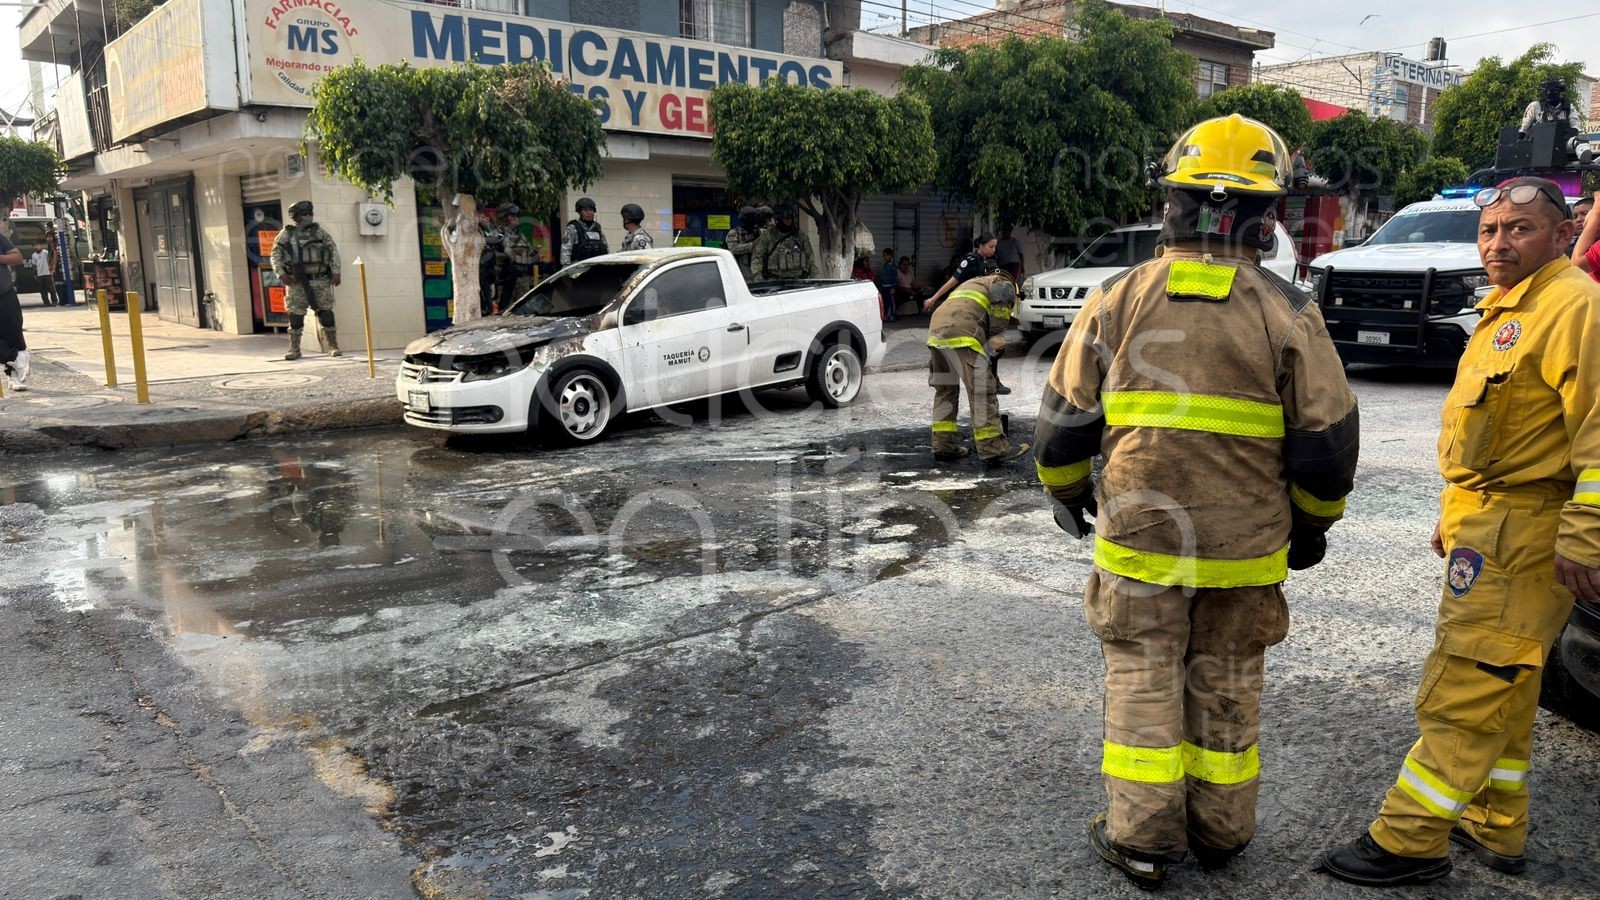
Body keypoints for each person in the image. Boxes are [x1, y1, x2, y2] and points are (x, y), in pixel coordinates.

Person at [1035, 114, 1359, 889]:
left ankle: (1144, 840)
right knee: (1226, 684)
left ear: (1172, 202)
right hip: (1244, 551)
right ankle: (1220, 833)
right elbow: (1328, 446)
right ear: (1268, 215)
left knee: (1145, 681)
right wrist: (1310, 529)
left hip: (1139, 541)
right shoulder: (1290, 311)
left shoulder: (1117, 296)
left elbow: (1059, 430)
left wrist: (1069, 496)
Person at [1319, 176, 1600, 887]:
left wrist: (1587, 533)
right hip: (1492, 524)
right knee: (1505, 685)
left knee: (1466, 687)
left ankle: (1408, 840)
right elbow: (1484, 432)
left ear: (1564, 235)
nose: (1499, 243)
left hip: (1530, 530)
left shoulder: (1574, 307)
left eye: (1520, 230)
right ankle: (1494, 824)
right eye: (1490, 230)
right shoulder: (1512, 306)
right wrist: (1455, 517)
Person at [927, 271, 1029, 467]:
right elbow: (997, 330)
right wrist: (996, 341)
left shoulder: (972, 283)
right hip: (964, 334)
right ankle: (993, 450)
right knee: (981, 392)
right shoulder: (1004, 284)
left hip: (936, 332)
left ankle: (944, 446)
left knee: (945, 391)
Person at [269, 200, 342, 361]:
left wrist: (336, 271)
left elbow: (333, 250)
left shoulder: (319, 233)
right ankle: (294, 349)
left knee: (327, 314)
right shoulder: (286, 234)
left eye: (309, 214)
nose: (307, 217)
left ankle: (333, 346)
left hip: (320, 280)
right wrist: (280, 273)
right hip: (297, 283)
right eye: (303, 214)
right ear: (295, 217)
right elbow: (275, 255)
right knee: (295, 317)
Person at [923, 232, 998, 313]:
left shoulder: (991, 262)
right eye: (990, 247)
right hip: (967, 305)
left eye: (995, 247)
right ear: (981, 245)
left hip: (983, 305)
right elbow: (952, 282)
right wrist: (933, 299)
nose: (993, 250)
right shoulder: (970, 261)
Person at [750, 205, 815, 280]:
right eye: (786, 218)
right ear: (779, 218)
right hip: (775, 280)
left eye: (791, 218)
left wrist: (812, 277)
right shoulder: (768, 235)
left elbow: (810, 258)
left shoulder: (800, 236)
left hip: (797, 281)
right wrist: (758, 277)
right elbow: (757, 257)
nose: (789, 221)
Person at [0, 229, 29, 390]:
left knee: (12, 335)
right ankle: (17, 358)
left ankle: (13, 376)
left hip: (4, 293)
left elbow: (17, 257)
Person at [497, 204, 533, 308]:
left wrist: (530, 252)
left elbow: (529, 250)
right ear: (504, 217)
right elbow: (498, 254)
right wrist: (513, 252)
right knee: (504, 309)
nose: (515, 218)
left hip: (522, 279)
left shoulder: (519, 234)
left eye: (516, 216)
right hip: (506, 280)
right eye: (512, 216)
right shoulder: (498, 234)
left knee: (523, 308)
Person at [560, 197, 607, 266]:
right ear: (579, 212)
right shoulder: (572, 228)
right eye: (585, 210)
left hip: (596, 268)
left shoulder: (597, 228)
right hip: (579, 268)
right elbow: (565, 250)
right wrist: (566, 269)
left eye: (591, 210)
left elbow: (605, 248)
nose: (589, 213)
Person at [1569, 190, 1600, 283]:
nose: (1579, 220)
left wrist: (1595, 213)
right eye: (1575, 216)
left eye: (1585, 214)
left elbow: (1577, 264)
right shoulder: (1565, 249)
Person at [726, 206, 761, 280]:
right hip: (741, 274)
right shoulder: (734, 233)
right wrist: (752, 245)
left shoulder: (758, 232)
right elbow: (733, 248)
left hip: (757, 272)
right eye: (751, 218)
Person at [876, 248, 900, 322]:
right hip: (884, 287)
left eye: (886, 255)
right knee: (885, 301)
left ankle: (891, 315)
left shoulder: (893, 266)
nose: (885, 257)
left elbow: (894, 278)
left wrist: (893, 287)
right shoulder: (885, 265)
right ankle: (886, 315)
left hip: (890, 287)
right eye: (884, 255)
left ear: (891, 256)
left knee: (890, 302)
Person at [29, 241, 56, 306]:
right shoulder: (34, 255)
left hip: (47, 273)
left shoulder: (45, 252)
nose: (36, 246)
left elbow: (51, 260)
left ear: (40, 245)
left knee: (51, 289)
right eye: (34, 245)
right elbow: (34, 265)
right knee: (42, 290)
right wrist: (34, 274)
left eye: (37, 245)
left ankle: (54, 301)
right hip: (40, 274)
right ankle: (46, 302)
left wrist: (51, 269)